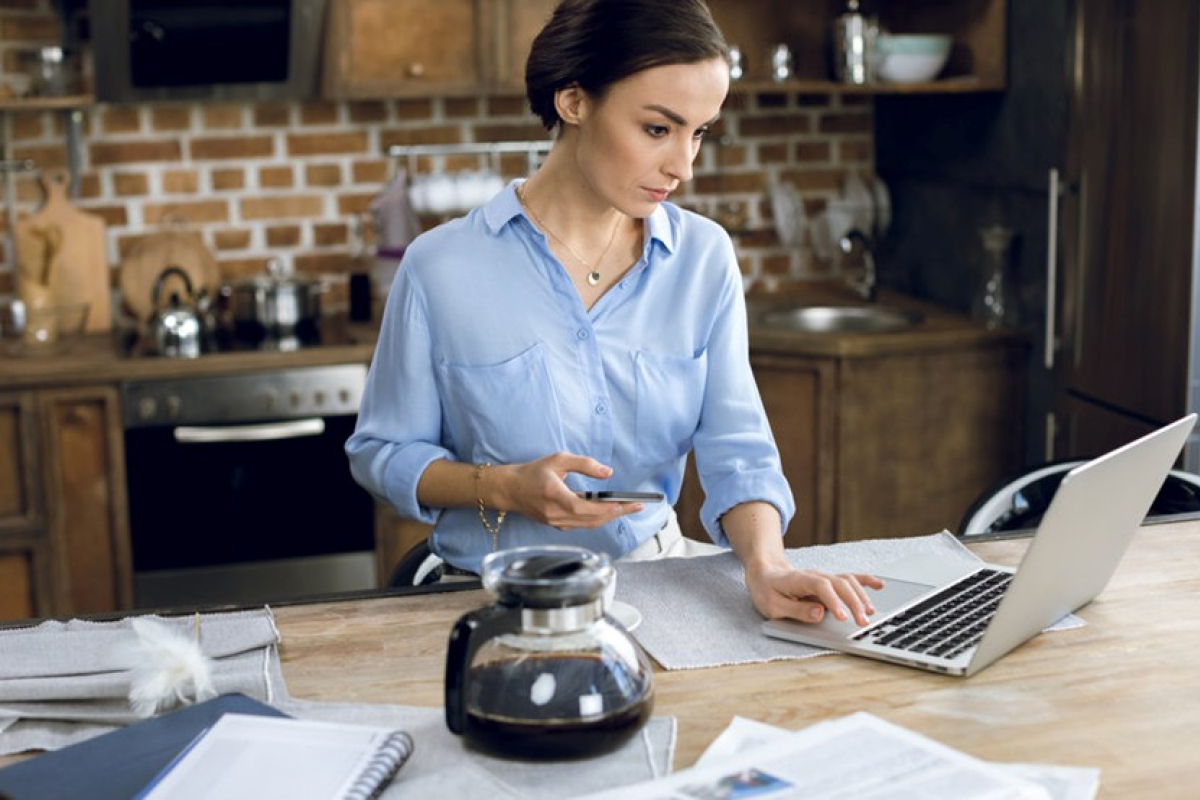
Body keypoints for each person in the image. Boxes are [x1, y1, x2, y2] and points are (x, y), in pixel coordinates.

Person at [346, 0, 882, 626]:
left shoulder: (702, 258)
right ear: (573, 102)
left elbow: (737, 450)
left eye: (700, 132)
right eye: (659, 129)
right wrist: (502, 487)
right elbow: (382, 452)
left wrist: (767, 567)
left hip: (658, 587)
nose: (683, 165)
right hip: (489, 598)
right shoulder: (441, 266)